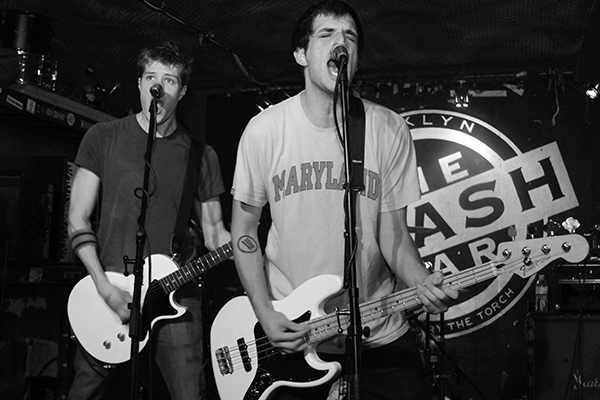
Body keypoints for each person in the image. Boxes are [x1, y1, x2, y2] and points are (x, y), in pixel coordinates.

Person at [229, 1, 459, 399]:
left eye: (350, 37)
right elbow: (244, 230)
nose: (341, 44)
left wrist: (422, 282)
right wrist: (265, 313)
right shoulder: (265, 130)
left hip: (378, 328)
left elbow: (393, 233)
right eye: (327, 35)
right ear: (301, 54)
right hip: (296, 331)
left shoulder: (387, 128)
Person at [67, 41, 230, 400]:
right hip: (110, 291)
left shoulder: (201, 156)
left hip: (176, 296)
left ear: (182, 91)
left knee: (189, 393)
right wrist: (104, 287)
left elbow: (216, 233)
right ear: (140, 83)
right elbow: (77, 218)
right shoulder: (103, 137)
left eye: (169, 80)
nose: (158, 87)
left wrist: (248, 245)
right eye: (151, 78)